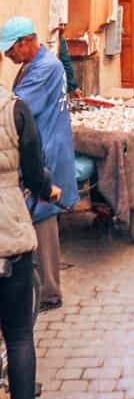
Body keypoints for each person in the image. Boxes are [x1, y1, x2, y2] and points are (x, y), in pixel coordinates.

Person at [0, 50, 61, 399]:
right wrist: (46, 190)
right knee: (19, 335)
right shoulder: (13, 108)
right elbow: (35, 168)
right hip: (8, 233)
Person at [0, 18, 78, 312]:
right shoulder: (33, 66)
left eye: (11, 50)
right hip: (42, 146)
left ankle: (49, 291)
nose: (8, 56)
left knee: (44, 216)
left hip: (46, 151)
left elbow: (17, 110)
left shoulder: (46, 67)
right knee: (37, 212)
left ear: (26, 42)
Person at [57, 24, 81, 99]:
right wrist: (74, 86)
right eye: (62, 25)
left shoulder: (59, 40)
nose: (63, 28)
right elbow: (66, 63)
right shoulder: (60, 41)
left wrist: (74, 86)